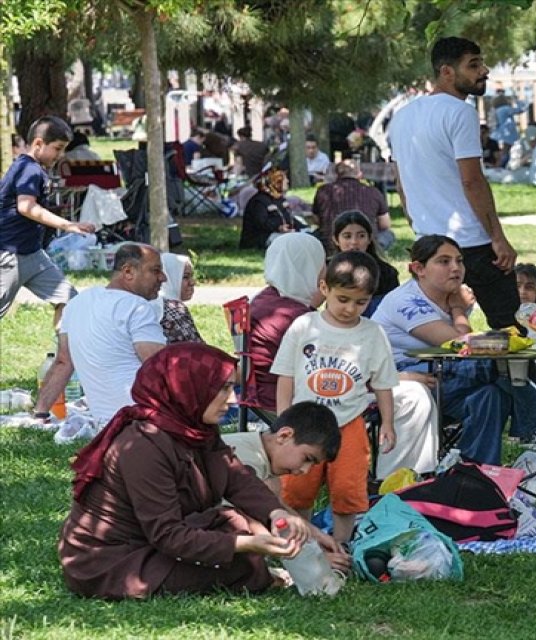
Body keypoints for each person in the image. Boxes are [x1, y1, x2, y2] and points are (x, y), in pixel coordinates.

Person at [58, 343, 314, 599]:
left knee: (234, 524)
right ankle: (261, 576)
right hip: (112, 560)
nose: (233, 399)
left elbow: (235, 477)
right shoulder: (143, 445)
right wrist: (246, 544)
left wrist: (275, 511)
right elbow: (167, 534)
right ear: (188, 386)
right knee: (242, 563)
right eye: (224, 388)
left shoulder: (194, 426)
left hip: (149, 542)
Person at [372, 235, 536, 464]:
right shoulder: (406, 301)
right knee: (493, 364)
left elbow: (462, 348)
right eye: (444, 261)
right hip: (404, 378)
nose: (455, 268)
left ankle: (473, 473)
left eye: (459, 261)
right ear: (418, 268)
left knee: (491, 394)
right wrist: (459, 310)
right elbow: (460, 344)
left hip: (443, 375)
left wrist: (457, 309)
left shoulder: (450, 296)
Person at [388, 37, 521, 331]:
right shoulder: (460, 112)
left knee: (442, 331)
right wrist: (497, 237)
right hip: (471, 242)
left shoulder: (401, 117)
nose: (484, 71)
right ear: (446, 71)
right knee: (511, 327)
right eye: (473, 65)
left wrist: (417, 226)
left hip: (427, 242)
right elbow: (472, 180)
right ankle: (517, 379)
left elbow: (401, 184)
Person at [273, 251, 399, 544]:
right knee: (297, 488)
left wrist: (388, 423)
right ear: (324, 288)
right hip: (304, 423)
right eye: (343, 299)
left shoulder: (373, 333)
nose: (349, 309)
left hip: (348, 424)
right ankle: (298, 545)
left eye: (360, 302)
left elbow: (383, 384)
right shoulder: (304, 326)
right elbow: (286, 375)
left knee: (347, 490)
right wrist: (283, 418)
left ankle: (341, 547)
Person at [33, 244, 167, 425]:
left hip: (105, 422)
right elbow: (160, 367)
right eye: (155, 270)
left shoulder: (76, 304)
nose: (163, 278)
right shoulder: (138, 307)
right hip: (144, 416)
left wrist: (40, 413)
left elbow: (63, 362)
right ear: (128, 272)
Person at [222, 401, 349, 571]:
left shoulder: (261, 455)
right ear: (284, 436)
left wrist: (317, 535)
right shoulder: (248, 460)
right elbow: (243, 518)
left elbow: (275, 507)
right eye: (307, 459)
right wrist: (311, 559)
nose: (305, 470)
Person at [0, 116, 97, 321]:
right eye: (57, 148)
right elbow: (26, 206)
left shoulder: (32, 168)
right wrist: (68, 225)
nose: (60, 155)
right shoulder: (29, 169)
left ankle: (63, 354)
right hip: (10, 257)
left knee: (71, 301)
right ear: (38, 144)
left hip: (33, 255)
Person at [242, 234, 328, 419]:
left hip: (260, 398)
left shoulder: (266, 298)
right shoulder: (295, 317)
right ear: (309, 266)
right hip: (287, 404)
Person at [313, 159, 393, 252]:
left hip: (329, 243)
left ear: (336, 175)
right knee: (388, 235)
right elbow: (385, 224)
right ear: (359, 174)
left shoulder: (323, 191)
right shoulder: (373, 192)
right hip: (366, 244)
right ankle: (374, 250)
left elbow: (316, 219)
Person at [332, 210, 399, 317]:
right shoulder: (329, 270)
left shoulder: (387, 273)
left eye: (361, 236)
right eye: (347, 236)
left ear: (369, 239)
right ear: (336, 240)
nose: (354, 242)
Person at [239, 167, 304, 250]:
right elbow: (261, 223)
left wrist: (303, 227)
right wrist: (279, 227)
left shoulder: (279, 199)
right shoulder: (259, 201)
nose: (287, 181)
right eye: (284, 179)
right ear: (276, 182)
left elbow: (288, 217)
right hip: (260, 239)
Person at [156, 253, 204, 344]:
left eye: (191, 276)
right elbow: (197, 347)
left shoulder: (154, 302)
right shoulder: (174, 308)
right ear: (169, 277)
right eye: (185, 277)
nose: (192, 282)